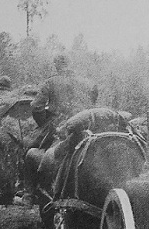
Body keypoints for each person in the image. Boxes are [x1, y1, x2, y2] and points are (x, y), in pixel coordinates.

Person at [17, 55, 98, 205]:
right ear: (70, 64)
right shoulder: (86, 82)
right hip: (86, 125)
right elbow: (93, 98)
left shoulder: (51, 82)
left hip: (60, 125)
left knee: (28, 151)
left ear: (56, 66)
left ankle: (28, 195)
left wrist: (44, 122)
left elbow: (36, 107)